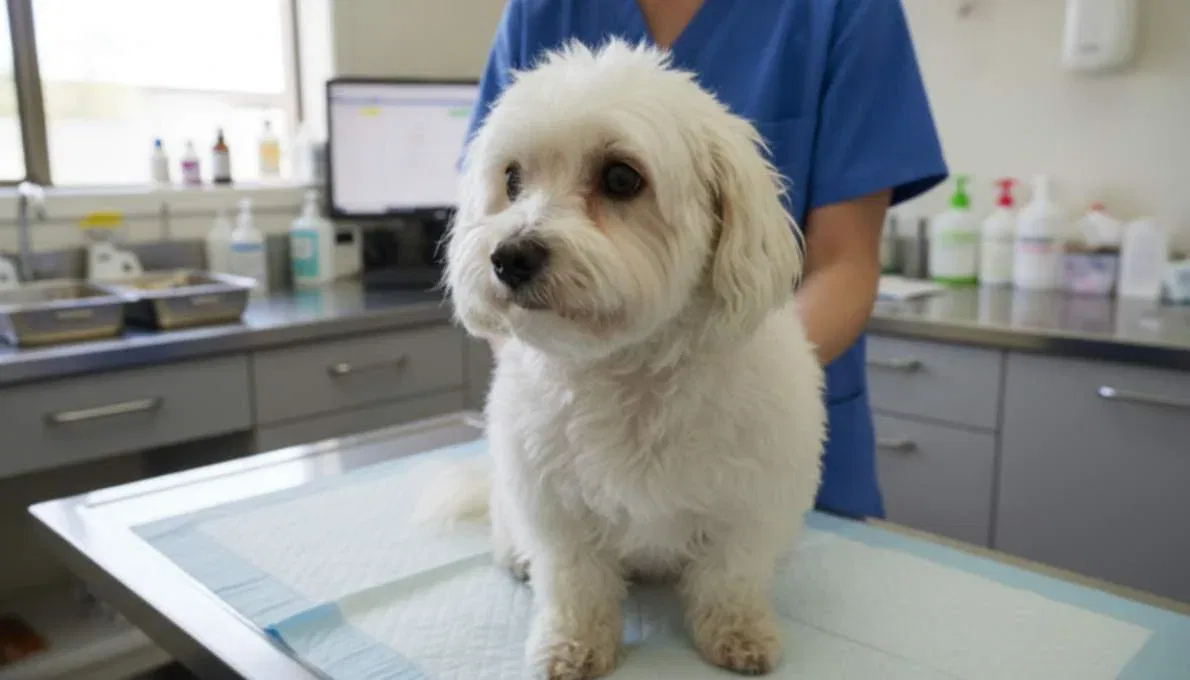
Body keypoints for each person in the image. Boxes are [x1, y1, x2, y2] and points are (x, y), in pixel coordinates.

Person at [463, 0, 948, 520]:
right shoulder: (542, 9)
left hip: (757, 449)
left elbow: (843, 262)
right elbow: (487, 211)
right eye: (520, 181)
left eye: (619, 181)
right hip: (567, 456)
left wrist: (721, 390)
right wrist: (556, 388)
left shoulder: (846, 10)